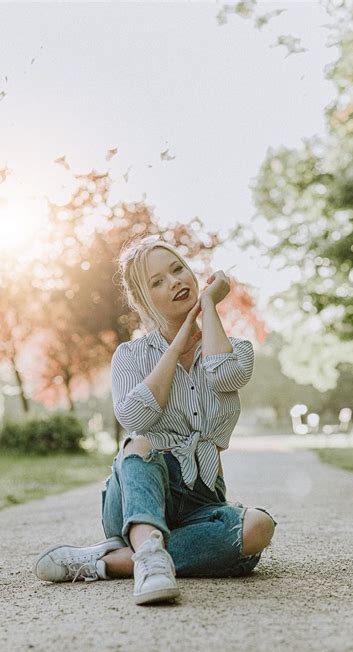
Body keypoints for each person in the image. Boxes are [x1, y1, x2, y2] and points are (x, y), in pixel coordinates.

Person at [34, 235, 278, 605]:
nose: (176, 282)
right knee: (143, 441)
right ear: (142, 300)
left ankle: (109, 562)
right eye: (157, 282)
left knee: (258, 527)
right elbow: (135, 416)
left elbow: (223, 375)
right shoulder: (130, 355)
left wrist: (208, 306)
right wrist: (177, 344)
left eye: (178, 269)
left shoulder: (236, 349)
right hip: (138, 492)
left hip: (202, 498)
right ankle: (147, 554)